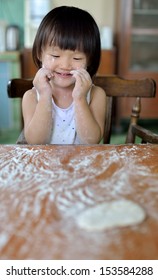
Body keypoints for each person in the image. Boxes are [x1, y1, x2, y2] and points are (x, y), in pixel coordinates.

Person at [22, 6, 106, 144]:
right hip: (45, 165)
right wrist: (44, 95)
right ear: (39, 54)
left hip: (82, 164)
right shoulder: (31, 97)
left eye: (77, 58)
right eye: (55, 55)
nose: (65, 65)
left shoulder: (97, 95)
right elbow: (36, 142)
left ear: (89, 60)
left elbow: (91, 141)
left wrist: (79, 98)